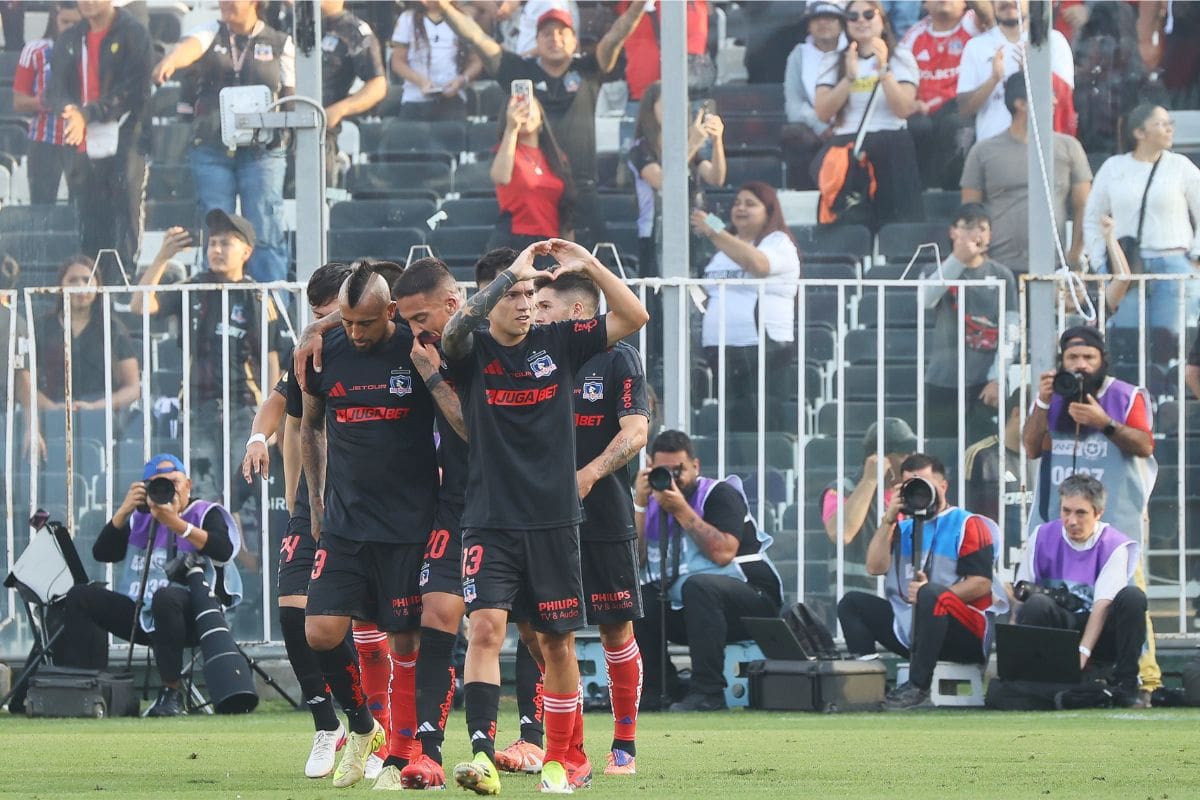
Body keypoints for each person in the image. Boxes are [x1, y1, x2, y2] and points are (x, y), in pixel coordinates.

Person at [440, 238, 648, 794]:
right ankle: (482, 754)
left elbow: (635, 315)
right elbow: (452, 332)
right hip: (490, 519)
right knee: (484, 628)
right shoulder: (473, 351)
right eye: (517, 293)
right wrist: (507, 275)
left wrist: (592, 266)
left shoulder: (559, 341)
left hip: (555, 521)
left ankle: (564, 758)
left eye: (533, 292)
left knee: (555, 643)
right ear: (494, 298)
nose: (527, 301)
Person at [300, 263, 439, 790]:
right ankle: (362, 726)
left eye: (364, 323)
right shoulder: (324, 352)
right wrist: (316, 498)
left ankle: (402, 754)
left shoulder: (416, 349)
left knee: (405, 641)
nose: (355, 333)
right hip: (344, 522)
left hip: (408, 523)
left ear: (389, 311)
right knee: (320, 630)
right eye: (347, 323)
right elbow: (311, 427)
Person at [510, 271, 648, 774]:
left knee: (615, 628)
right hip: (540, 518)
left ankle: (625, 745)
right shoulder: (531, 357)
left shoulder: (617, 358)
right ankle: (569, 744)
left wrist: (588, 474)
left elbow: (636, 432)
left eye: (543, 305)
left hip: (603, 513)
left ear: (574, 313)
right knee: (536, 629)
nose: (533, 312)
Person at [238, 262, 356, 778]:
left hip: (374, 502)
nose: (321, 322)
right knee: (293, 613)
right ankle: (326, 724)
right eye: (314, 313)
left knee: (365, 625)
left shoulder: (389, 346)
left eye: (330, 312)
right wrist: (257, 439)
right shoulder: (312, 351)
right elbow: (278, 402)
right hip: (314, 503)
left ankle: (370, 726)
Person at [433, 0, 648, 249]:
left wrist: (639, 5)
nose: (554, 38)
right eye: (546, 33)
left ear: (574, 40)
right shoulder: (520, 71)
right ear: (536, 42)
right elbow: (478, 39)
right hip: (534, 194)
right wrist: (443, 6)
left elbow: (615, 36)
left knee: (593, 275)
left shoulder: (588, 69)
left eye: (561, 32)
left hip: (581, 191)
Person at [1022, 324, 1160, 696]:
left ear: (1102, 360)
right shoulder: (1056, 397)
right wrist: (1041, 402)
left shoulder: (1126, 395)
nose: (1080, 365)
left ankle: (1145, 680)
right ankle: (1049, 677)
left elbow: (1145, 445)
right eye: (1073, 358)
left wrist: (1106, 423)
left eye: (1088, 357)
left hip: (1117, 525)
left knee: (1130, 599)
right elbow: (1032, 447)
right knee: (1049, 601)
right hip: (1062, 523)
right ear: (1062, 363)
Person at [58, 454, 243, 716]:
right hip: (141, 613)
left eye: (174, 482)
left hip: (195, 617)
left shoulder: (205, 513)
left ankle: (171, 693)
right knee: (80, 596)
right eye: (158, 484)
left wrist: (176, 524)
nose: (168, 489)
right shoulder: (140, 518)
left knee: (165, 597)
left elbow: (223, 550)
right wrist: (124, 511)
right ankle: (85, 690)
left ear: (188, 484)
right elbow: (103, 553)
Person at [132, 211, 284, 508]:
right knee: (203, 492)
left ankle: (254, 555)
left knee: (252, 493)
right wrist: (163, 256)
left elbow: (271, 359)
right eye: (212, 243)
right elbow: (140, 304)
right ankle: (210, 554)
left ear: (246, 252)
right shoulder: (193, 287)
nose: (216, 250)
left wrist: (272, 419)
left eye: (225, 243)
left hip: (246, 409)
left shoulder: (257, 296)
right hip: (198, 407)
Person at [837, 453, 1008, 710]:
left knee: (930, 595)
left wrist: (937, 596)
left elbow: (981, 584)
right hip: (911, 631)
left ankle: (917, 687)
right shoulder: (901, 529)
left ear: (943, 487)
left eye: (924, 484)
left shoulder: (967, 524)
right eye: (910, 486)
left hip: (963, 633)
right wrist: (888, 519)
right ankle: (871, 684)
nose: (919, 491)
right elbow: (874, 567)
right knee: (851, 603)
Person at [632, 429, 783, 712]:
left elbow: (723, 553)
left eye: (679, 470)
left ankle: (708, 693)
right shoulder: (650, 503)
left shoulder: (718, 493)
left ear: (695, 466)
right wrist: (639, 505)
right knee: (640, 599)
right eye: (663, 471)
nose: (673, 479)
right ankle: (657, 689)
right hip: (693, 610)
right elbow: (635, 561)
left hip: (753, 602)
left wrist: (680, 510)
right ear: (650, 468)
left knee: (699, 586)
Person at [152, 0, 295, 282]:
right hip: (211, 149)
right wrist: (170, 61)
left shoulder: (280, 42)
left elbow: (291, 98)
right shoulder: (210, 31)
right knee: (216, 227)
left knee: (265, 227)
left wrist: (286, 142)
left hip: (262, 151)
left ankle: (272, 309)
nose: (225, 3)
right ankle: (215, 306)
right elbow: (190, 47)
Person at [1013, 474, 1146, 705]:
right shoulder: (1042, 536)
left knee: (1133, 598)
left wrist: (1082, 653)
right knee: (1036, 603)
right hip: (1059, 629)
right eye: (1066, 511)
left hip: (1100, 631)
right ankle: (1033, 680)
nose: (1072, 520)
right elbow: (1021, 596)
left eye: (1081, 513)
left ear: (1098, 513)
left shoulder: (1114, 544)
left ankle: (1127, 684)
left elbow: (1102, 606)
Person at [47, 0, 151, 282]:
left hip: (125, 135)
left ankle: (124, 279)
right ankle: (91, 282)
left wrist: (89, 113)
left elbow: (134, 89)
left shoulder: (133, 33)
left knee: (125, 209)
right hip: (81, 140)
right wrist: (68, 110)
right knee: (89, 216)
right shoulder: (70, 38)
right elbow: (55, 89)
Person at [1083, 104, 1200, 337]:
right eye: (1160, 124)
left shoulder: (1180, 166)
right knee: (1126, 337)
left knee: (1170, 339)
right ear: (1139, 132)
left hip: (1173, 262)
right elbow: (1093, 217)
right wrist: (1099, 261)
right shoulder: (1114, 167)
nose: (1168, 129)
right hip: (1126, 266)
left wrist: (1196, 257)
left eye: (1170, 124)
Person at [691, 182, 800, 429]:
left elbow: (759, 265)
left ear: (768, 211)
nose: (741, 208)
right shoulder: (722, 247)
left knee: (760, 420)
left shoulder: (778, 242)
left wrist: (713, 229)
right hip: (721, 349)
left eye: (750, 204)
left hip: (763, 348)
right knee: (731, 421)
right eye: (737, 203)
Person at [960, 73, 1091, 274]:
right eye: (1048, 95)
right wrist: (983, 261)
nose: (1055, 101)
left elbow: (1084, 206)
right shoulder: (983, 151)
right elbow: (971, 212)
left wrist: (1073, 255)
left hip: (1055, 268)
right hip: (999, 268)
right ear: (1021, 104)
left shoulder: (1069, 147)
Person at [813, 0, 924, 227]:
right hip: (848, 144)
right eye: (853, 17)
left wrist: (884, 70)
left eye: (868, 14)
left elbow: (903, 109)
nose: (861, 20)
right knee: (849, 218)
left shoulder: (901, 57)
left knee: (896, 219)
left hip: (890, 141)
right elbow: (823, 112)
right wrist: (849, 78)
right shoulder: (833, 60)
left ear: (882, 21)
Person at [920, 203, 1017, 445]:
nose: (976, 234)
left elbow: (1012, 330)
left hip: (985, 383)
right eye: (968, 227)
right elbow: (925, 300)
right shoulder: (935, 270)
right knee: (940, 450)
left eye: (982, 228)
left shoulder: (1002, 274)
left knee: (986, 451)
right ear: (953, 232)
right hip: (942, 380)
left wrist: (998, 377)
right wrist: (958, 259)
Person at [627, 80, 726, 277]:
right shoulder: (640, 149)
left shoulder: (687, 148)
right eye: (667, 105)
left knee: (725, 230)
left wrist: (717, 142)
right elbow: (663, 181)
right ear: (651, 108)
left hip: (700, 221)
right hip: (658, 231)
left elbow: (717, 178)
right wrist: (694, 143)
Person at [956, 0, 1075, 142]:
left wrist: (1035, 72)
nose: (1008, 1)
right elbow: (964, 109)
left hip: (1042, 147)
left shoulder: (1053, 41)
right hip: (993, 147)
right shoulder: (976, 46)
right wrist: (993, 79)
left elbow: (1064, 99)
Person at [33, 255, 139, 414]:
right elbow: (24, 381)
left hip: (103, 418)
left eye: (87, 280)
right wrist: (52, 408)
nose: (81, 286)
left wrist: (95, 407)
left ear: (98, 286)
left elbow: (132, 388)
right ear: (60, 286)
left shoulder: (112, 328)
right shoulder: (40, 327)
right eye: (72, 280)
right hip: (50, 418)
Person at [821, 418, 917, 593]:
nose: (912, 458)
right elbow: (841, 533)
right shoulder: (843, 489)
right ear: (879, 457)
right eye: (905, 451)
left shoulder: (916, 494)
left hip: (902, 600)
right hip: (855, 601)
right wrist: (870, 479)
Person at [900, 0, 980, 192]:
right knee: (917, 127)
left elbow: (986, 13)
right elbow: (901, 77)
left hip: (960, 107)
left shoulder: (972, 24)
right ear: (925, 4)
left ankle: (954, 190)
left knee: (954, 125)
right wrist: (911, 102)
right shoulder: (914, 35)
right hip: (925, 111)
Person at [11, 2, 82, 205]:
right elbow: (18, 102)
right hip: (44, 139)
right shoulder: (36, 50)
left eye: (76, 23)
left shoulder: (93, 51)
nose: (70, 28)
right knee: (41, 207)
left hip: (81, 139)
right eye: (65, 21)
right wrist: (44, 101)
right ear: (54, 18)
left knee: (82, 210)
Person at [489, 93, 575, 250]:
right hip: (513, 241)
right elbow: (500, 177)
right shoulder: (506, 152)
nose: (522, 112)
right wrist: (511, 129)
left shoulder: (556, 158)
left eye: (528, 106)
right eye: (516, 108)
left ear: (541, 118)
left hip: (549, 244)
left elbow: (566, 210)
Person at [320, 0, 387, 187]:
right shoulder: (286, 20)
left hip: (320, 132)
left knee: (317, 204)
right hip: (276, 133)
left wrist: (339, 110)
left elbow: (377, 85)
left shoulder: (354, 30)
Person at [781, 2, 846, 191]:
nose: (823, 22)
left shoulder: (854, 51)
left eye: (830, 17)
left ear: (842, 24)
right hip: (815, 130)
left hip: (850, 124)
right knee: (793, 134)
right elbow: (793, 105)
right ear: (808, 25)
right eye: (817, 18)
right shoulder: (798, 55)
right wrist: (820, 125)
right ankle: (806, 194)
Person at [389, 0, 482, 121]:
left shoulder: (463, 19)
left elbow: (477, 61)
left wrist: (462, 80)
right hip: (415, 99)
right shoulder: (407, 18)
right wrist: (421, 82)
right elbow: (397, 62)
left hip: (453, 100)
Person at [964, 388, 1029, 555]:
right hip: (991, 561)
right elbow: (962, 514)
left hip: (1034, 559)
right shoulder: (980, 455)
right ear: (1017, 413)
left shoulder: (1047, 458)